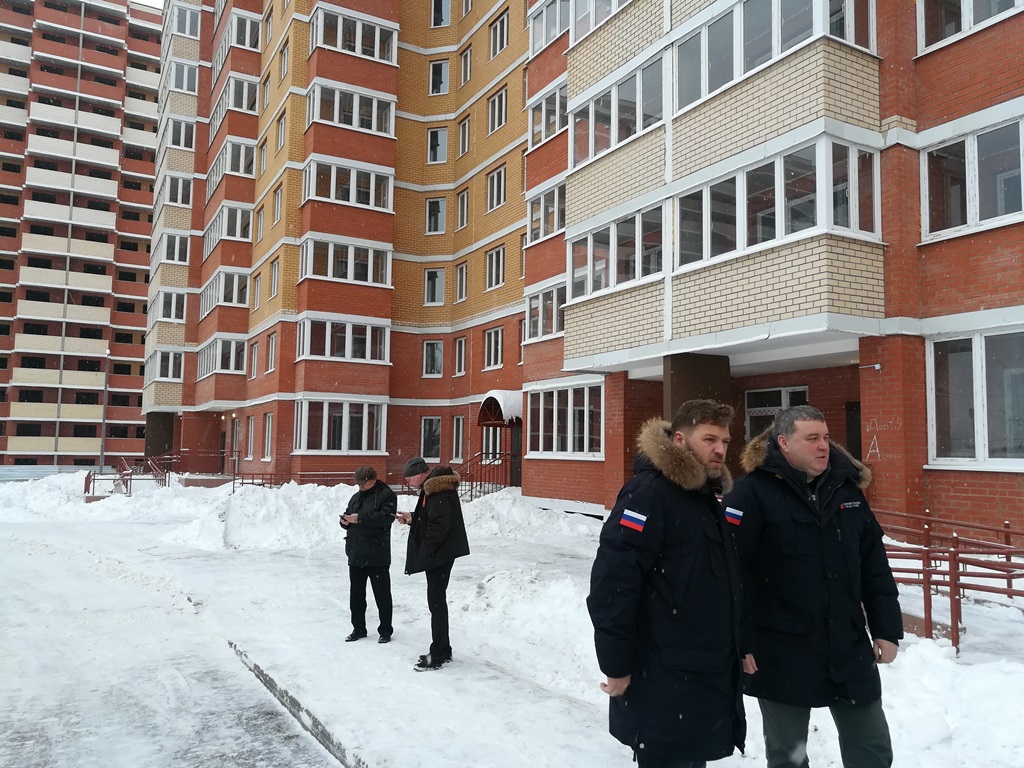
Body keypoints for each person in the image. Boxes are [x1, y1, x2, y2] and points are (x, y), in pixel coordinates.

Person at [723, 405, 903, 768]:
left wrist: (886, 628)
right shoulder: (751, 493)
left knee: (872, 748)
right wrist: (742, 641)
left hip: (847, 645)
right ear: (784, 443)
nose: (824, 446)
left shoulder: (847, 489)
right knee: (787, 755)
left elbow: (874, 565)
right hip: (781, 649)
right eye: (812, 439)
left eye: (825, 437)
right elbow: (732, 573)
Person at [587, 400, 746, 768]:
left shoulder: (703, 498)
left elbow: (722, 585)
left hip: (699, 676)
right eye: (709, 438)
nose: (720, 449)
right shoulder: (649, 494)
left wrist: (742, 645)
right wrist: (616, 663)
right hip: (663, 677)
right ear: (679, 440)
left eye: (724, 440)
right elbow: (613, 583)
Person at [396, 456, 470, 671]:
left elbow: (439, 526)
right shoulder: (435, 487)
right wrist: (412, 518)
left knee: (436, 603)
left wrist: (425, 552)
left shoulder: (436, 489)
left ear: (420, 474)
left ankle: (437, 655)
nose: (408, 482)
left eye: (409, 478)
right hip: (443, 551)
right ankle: (443, 649)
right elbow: (432, 517)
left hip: (440, 553)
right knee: (437, 601)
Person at [339, 465, 397, 644]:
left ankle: (385, 630)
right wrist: (345, 522)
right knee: (356, 595)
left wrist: (360, 519)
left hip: (376, 554)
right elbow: (350, 515)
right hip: (355, 553)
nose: (360, 487)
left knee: (382, 595)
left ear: (373, 479)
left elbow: (386, 517)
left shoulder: (386, 495)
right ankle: (358, 628)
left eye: (363, 484)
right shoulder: (356, 497)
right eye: (358, 484)